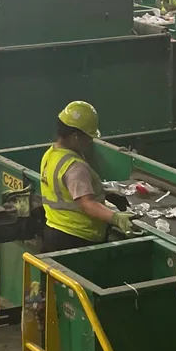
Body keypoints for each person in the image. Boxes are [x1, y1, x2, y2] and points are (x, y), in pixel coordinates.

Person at [39, 101, 134, 251]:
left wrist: (104, 194)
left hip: (54, 231)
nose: (90, 141)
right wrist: (116, 218)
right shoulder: (74, 166)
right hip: (77, 239)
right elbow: (86, 204)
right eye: (89, 137)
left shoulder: (51, 154)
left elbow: (65, 191)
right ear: (76, 137)